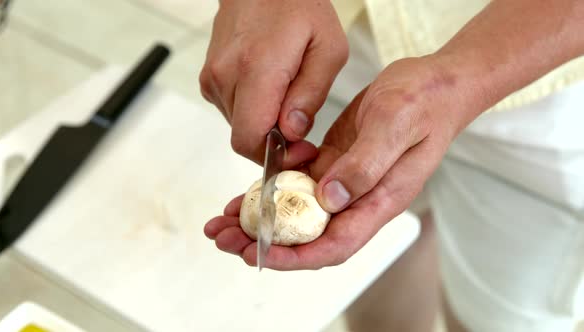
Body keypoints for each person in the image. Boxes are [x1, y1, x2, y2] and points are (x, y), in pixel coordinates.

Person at [200, 0, 584, 331]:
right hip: (337, 46)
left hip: (538, 81)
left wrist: (459, 79)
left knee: (502, 317)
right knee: (378, 272)